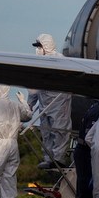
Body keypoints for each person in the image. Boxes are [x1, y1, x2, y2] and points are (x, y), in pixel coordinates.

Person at [28, 34, 74, 169]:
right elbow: (34, 86)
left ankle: (58, 158)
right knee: (45, 132)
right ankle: (48, 158)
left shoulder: (61, 61)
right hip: (44, 103)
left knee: (59, 130)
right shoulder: (39, 63)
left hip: (59, 102)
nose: (37, 50)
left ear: (46, 46)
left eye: (39, 47)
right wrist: (30, 103)